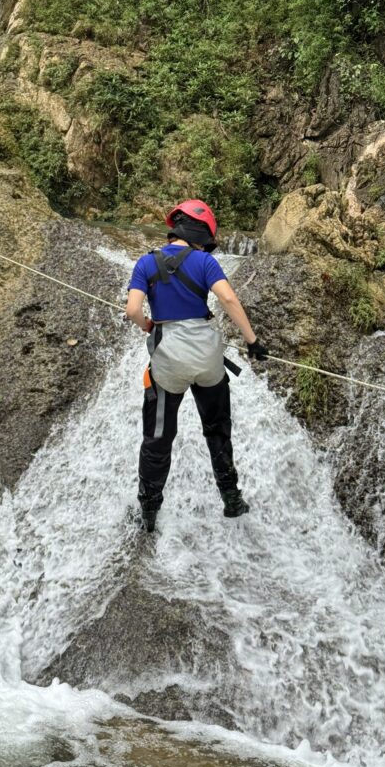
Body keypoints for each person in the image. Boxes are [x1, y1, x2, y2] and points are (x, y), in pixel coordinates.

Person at [125, 199, 267, 532]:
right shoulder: (204, 262)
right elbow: (228, 300)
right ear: (201, 233)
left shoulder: (146, 263)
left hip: (168, 359)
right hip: (207, 357)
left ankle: (148, 512)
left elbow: (132, 310)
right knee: (217, 428)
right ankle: (232, 499)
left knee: (158, 437)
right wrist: (252, 342)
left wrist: (147, 324)